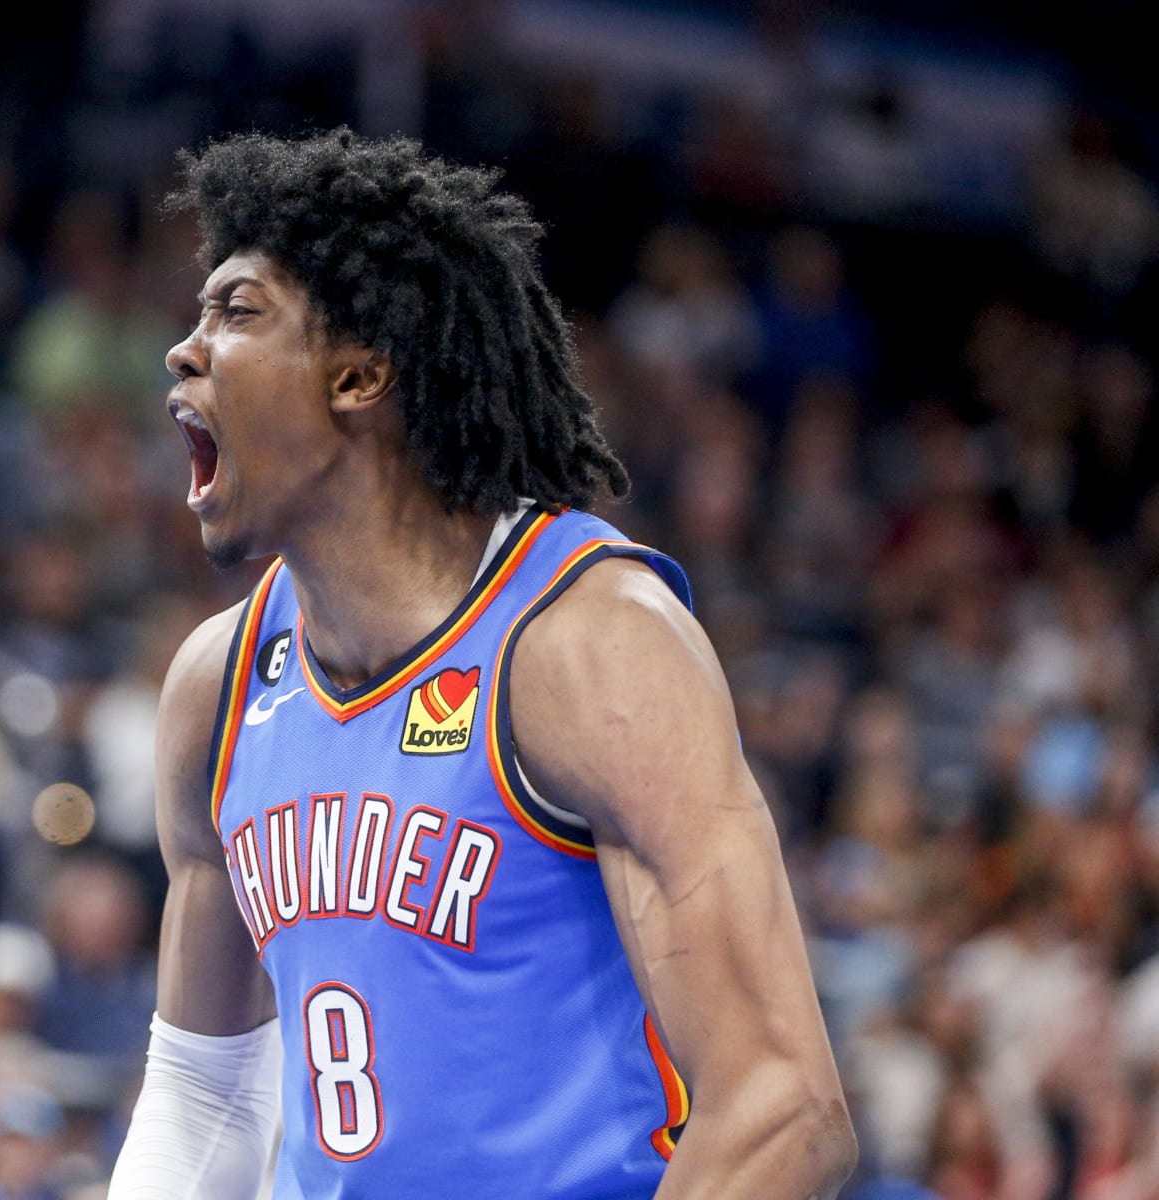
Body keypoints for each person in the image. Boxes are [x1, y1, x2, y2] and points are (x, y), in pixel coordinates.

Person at [107, 129, 857, 1197]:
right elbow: (204, 1102)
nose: (186, 350)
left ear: (360, 372)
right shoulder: (219, 686)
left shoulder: (586, 643)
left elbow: (785, 1105)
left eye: (238, 311)